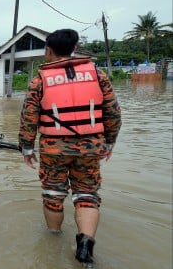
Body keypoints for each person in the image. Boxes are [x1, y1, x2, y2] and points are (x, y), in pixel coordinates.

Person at [18, 29, 122, 267]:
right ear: (74, 49)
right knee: (87, 195)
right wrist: (110, 141)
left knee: (53, 194)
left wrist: (26, 147)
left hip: (53, 148)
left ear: (49, 51)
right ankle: (85, 247)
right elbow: (113, 112)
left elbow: (29, 116)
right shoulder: (97, 74)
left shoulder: (40, 79)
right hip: (91, 147)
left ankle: (53, 240)